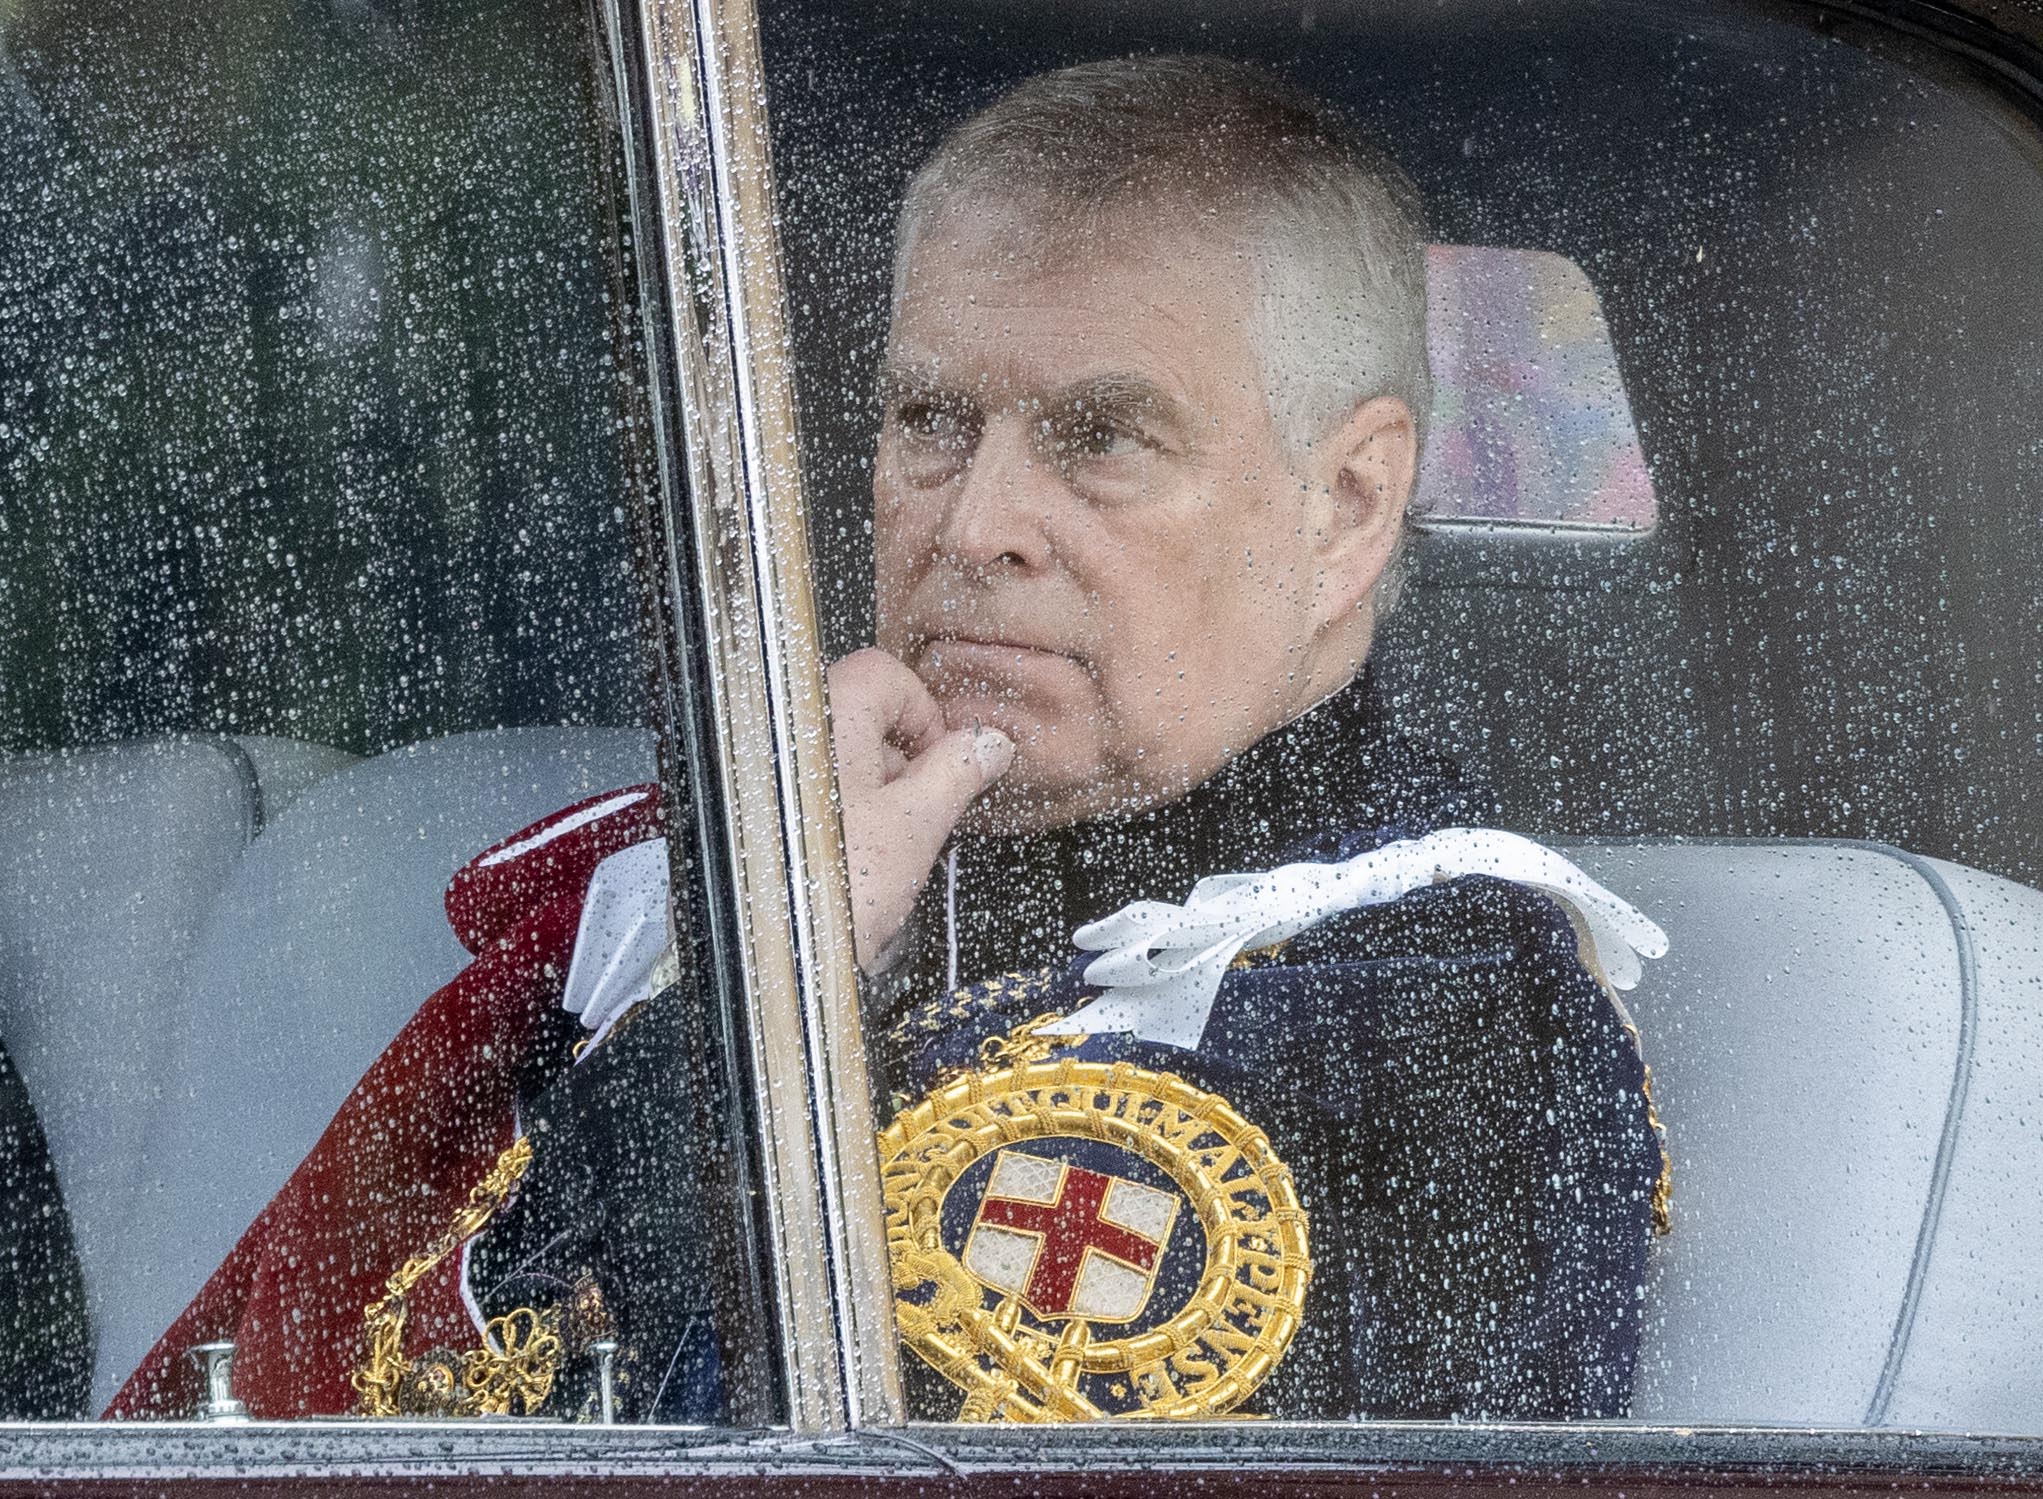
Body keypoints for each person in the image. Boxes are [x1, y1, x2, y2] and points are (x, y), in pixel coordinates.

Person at [110, 55, 1664, 1425]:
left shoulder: (1443, 1020)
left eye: (1100, 438)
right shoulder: (720, 875)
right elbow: (307, 1409)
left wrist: (775, 997)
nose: (973, 528)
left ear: (1347, 508)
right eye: (932, 423)